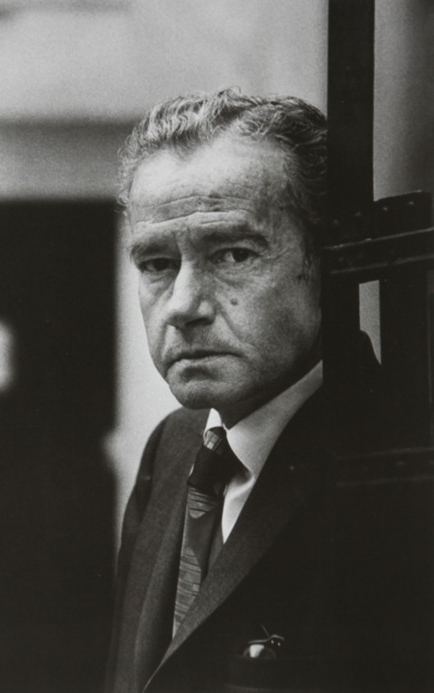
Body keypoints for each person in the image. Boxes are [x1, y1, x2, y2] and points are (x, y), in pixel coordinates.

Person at [105, 89, 393, 693]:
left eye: (233, 254)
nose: (182, 305)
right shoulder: (174, 446)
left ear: (327, 263)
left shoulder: (399, 455)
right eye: (157, 264)